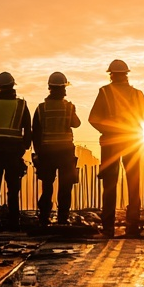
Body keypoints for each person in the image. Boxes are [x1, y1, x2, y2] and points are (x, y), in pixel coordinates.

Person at [88, 59, 144, 237]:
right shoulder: (137, 94)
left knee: (109, 185)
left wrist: (107, 130)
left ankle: (108, 228)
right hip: (132, 141)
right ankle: (133, 226)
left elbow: (93, 118)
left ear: (111, 75)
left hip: (111, 142)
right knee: (134, 184)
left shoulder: (105, 92)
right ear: (126, 75)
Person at [0, 71, 33, 231]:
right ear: (12, 85)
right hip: (13, 153)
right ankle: (14, 223)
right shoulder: (21, 105)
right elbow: (28, 129)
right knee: (13, 189)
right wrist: (23, 147)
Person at [32, 71, 81, 226]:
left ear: (50, 88)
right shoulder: (69, 107)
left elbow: (35, 132)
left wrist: (38, 153)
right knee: (65, 186)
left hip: (47, 152)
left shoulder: (41, 108)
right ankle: (63, 218)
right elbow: (77, 124)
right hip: (65, 152)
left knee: (47, 186)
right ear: (63, 88)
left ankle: (44, 217)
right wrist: (73, 111)